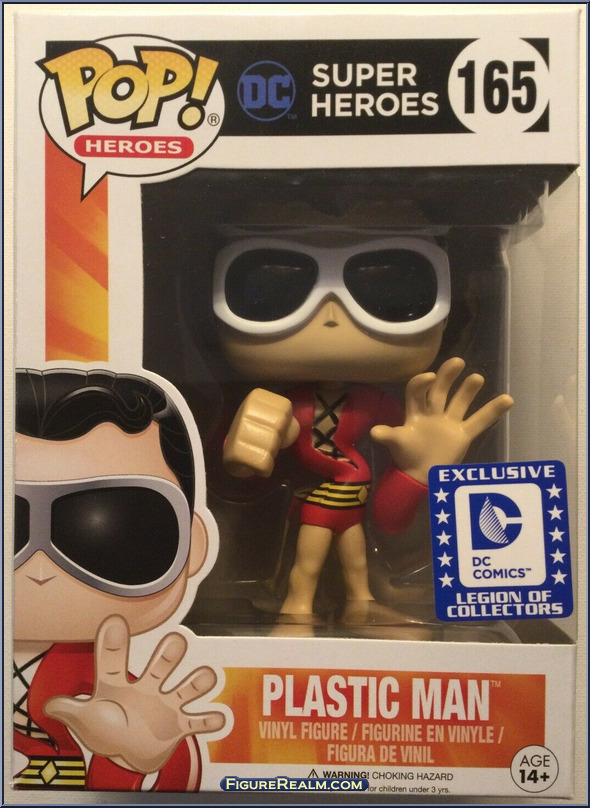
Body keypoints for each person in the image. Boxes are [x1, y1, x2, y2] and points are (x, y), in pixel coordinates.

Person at [215, 233, 513, 615]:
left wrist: (418, 472)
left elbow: (389, 522)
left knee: (356, 567)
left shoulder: (376, 405)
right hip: (324, 500)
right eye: (277, 289)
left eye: (388, 290)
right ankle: (299, 605)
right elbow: (241, 488)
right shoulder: (289, 405)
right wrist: (242, 454)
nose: (331, 313)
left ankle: (358, 601)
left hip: (351, 500)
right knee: (307, 567)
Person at [13, 369, 225, 791]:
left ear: (193, 545)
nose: (39, 568)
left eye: (112, 526)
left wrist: (136, 754)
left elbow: (170, 777)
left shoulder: (110, 688)